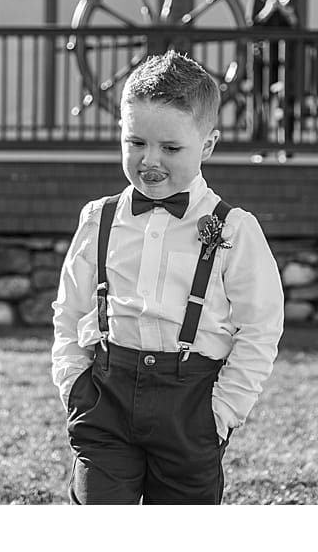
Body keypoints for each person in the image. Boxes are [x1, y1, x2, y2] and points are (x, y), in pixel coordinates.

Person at [52, 49, 285, 504]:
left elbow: (260, 327)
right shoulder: (98, 219)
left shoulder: (235, 228)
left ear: (209, 145)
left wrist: (221, 413)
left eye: (171, 148)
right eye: (136, 142)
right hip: (106, 396)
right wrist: (73, 385)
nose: (150, 160)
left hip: (191, 408)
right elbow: (70, 309)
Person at [247, 0, 298, 161]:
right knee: (259, 100)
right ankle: (259, 147)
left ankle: (286, 146)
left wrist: (286, 12)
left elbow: (298, 26)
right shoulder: (258, 0)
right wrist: (268, 10)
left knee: (286, 101)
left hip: (284, 59)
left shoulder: (291, 0)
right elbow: (251, 27)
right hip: (262, 59)